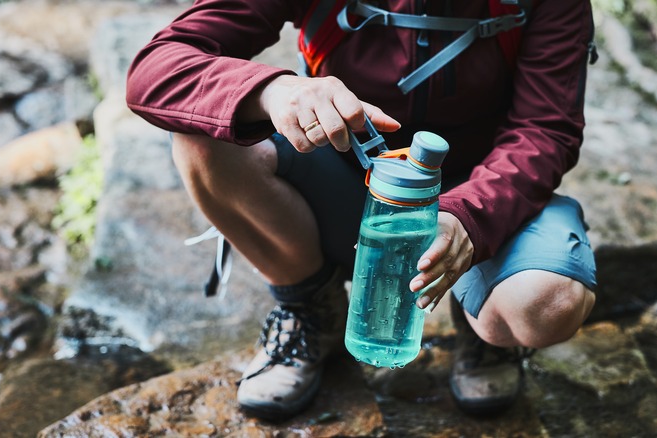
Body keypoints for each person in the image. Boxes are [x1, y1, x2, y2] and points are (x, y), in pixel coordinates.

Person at [126, 0, 598, 421]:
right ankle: (311, 306)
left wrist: (469, 219)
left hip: (485, 188)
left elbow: (544, 130)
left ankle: (482, 321)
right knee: (203, 139)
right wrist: (273, 92)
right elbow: (155, 69)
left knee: (546, 304)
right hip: (348, 179)